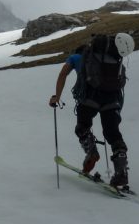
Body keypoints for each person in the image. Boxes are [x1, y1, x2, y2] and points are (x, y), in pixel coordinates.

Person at [48, 33, 133, 188]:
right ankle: (121, 171)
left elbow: (63, 74)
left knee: (83, 127)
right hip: (112, 99)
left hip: (89, 98)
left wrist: (57, 97)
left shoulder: (75, 58)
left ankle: (91, 151)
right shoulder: (113, 58)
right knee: (113, 134)